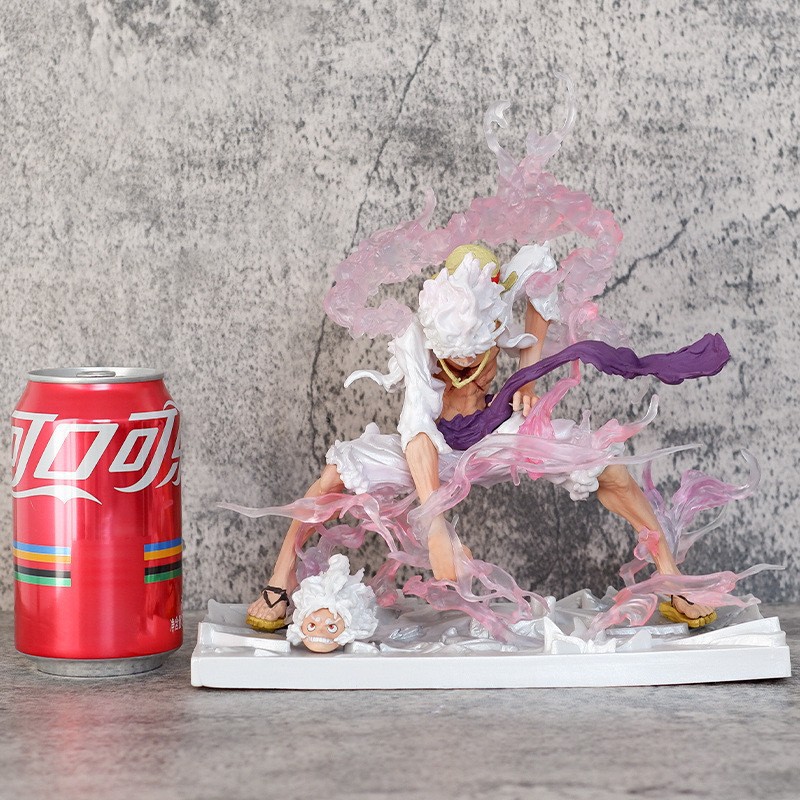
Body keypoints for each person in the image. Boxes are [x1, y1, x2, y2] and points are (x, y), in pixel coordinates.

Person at [246, 243, 717, 631]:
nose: (465, 364)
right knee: (334, 476)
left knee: (607, 465)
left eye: (475, 353)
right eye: (454, 356)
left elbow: (540, 264)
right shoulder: (417, 335)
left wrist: (529, 376)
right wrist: (435, 523)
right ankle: (281, 580)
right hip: (431, 448)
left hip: (496, 433)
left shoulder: (495, 304)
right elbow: (416, 427)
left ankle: (671, 580)